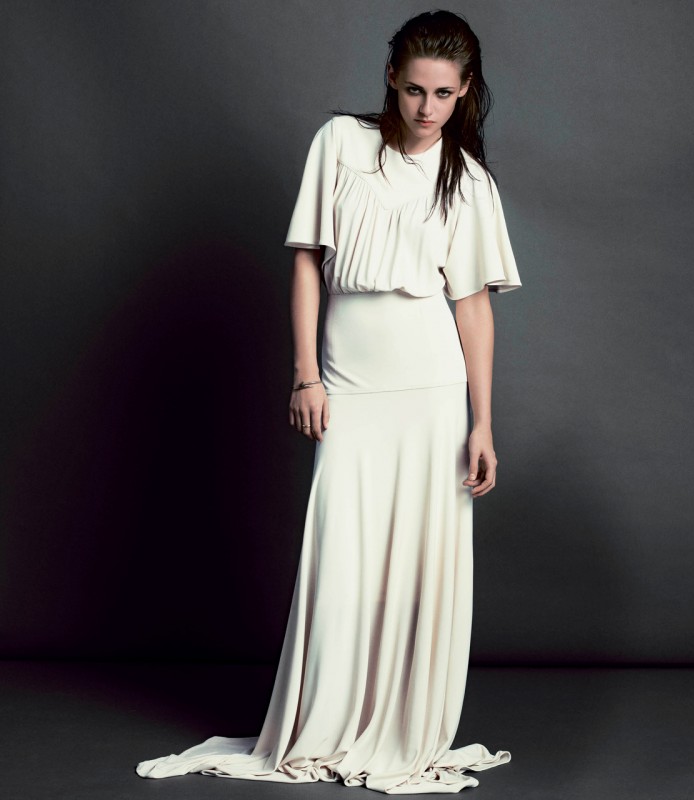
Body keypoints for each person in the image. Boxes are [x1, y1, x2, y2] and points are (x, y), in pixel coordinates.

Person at [136, 9, 520, 794]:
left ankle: (404, 730)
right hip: (350, 382)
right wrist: (306, 373)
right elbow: (309, 261)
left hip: (433, 390)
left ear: (465, 92)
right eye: (414, 90)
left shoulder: (470, 182)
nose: (426, 108)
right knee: (342, 561)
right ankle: (329, 719)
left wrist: (483, 421)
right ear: (391, 78)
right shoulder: (340, 144)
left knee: (420, 566)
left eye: (443, 94)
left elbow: (473, 307)